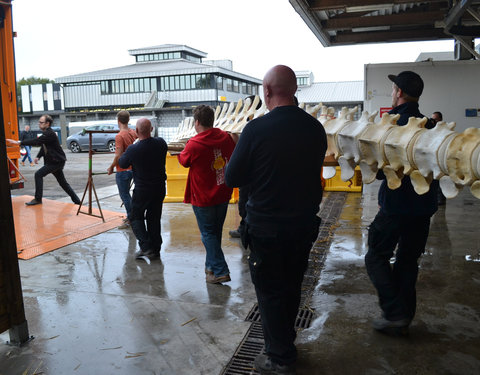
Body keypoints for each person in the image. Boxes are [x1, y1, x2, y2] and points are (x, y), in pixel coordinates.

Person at [225, 65, 327, 374]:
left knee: (269, 292)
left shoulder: (256, 129)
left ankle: (280, 357)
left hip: (268, 227)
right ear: (293, 90)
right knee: (292, 285)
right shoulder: (315, 128)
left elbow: (232, 177)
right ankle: (286, 342)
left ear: (267, 92)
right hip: (302, 225)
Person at [365, 71, 439, 334]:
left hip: (396, 206)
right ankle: (403, 316)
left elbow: (377, 168)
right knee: (408, 261)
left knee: (376, 256)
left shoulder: (393, 125)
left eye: (393, 89)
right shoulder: (430, 126)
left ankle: (394, 312)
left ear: (398, 92)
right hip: (423, 208)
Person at [178, 105, 236, 284]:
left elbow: (184, 161)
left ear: (196, 122)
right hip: (223, 192)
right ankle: (210, 268)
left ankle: (220, 270)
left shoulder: (194, 144)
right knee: (215, 232)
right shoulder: (226, 138)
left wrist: (182, 150)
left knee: (208, 233)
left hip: (203, 197)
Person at [118, 118, 167, 260]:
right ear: (151, 129)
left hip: (142, 189)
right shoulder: (161, 143)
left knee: (135, 217)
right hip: (159, 188)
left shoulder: (134, 149)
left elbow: (122, 162)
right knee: (154, 217)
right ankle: (155, 249)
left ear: (137, 131)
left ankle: (145, 247)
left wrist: (131, 147)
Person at [7, 115, 81, 206]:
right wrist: (38, 156)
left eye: (41, 122)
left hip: (56, 161)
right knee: (63, 183)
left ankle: (38, 199)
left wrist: (19, 142)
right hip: (57, 161)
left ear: (47, 124)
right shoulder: (47, 133)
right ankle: (77, 201)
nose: (39, 124)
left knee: (38, 174)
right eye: (39, 122)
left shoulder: (49, 133)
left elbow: (37, 141)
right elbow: (43, 145)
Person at [228, 95, 262, 240]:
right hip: (246, 168)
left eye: (248, 105)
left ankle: (249, 230)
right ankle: (244, 228)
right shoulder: (244, 122)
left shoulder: (259, 123)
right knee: (244, 202)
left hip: (255, 169)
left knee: (249, 201)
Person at [107, 110, 137, 229]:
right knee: (130, 195)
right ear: (128, 120)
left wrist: (111, 167)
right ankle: (134, 216)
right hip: (133, 168)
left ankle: (131, 218)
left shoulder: (119, 136)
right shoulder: (133, 133)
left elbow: (118, 155)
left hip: (122, 170)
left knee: (125, 195)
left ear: (118, 121)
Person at [430, 111, 447, 205]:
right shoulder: (431, 130)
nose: (433, 121)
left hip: (441, 158)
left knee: (441, 179)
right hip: (432, 158)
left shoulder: (444, 130)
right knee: (434, 179)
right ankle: (435, 198)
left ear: (440, 119)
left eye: (435, 119)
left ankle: (441, 198)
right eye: (432, 119)